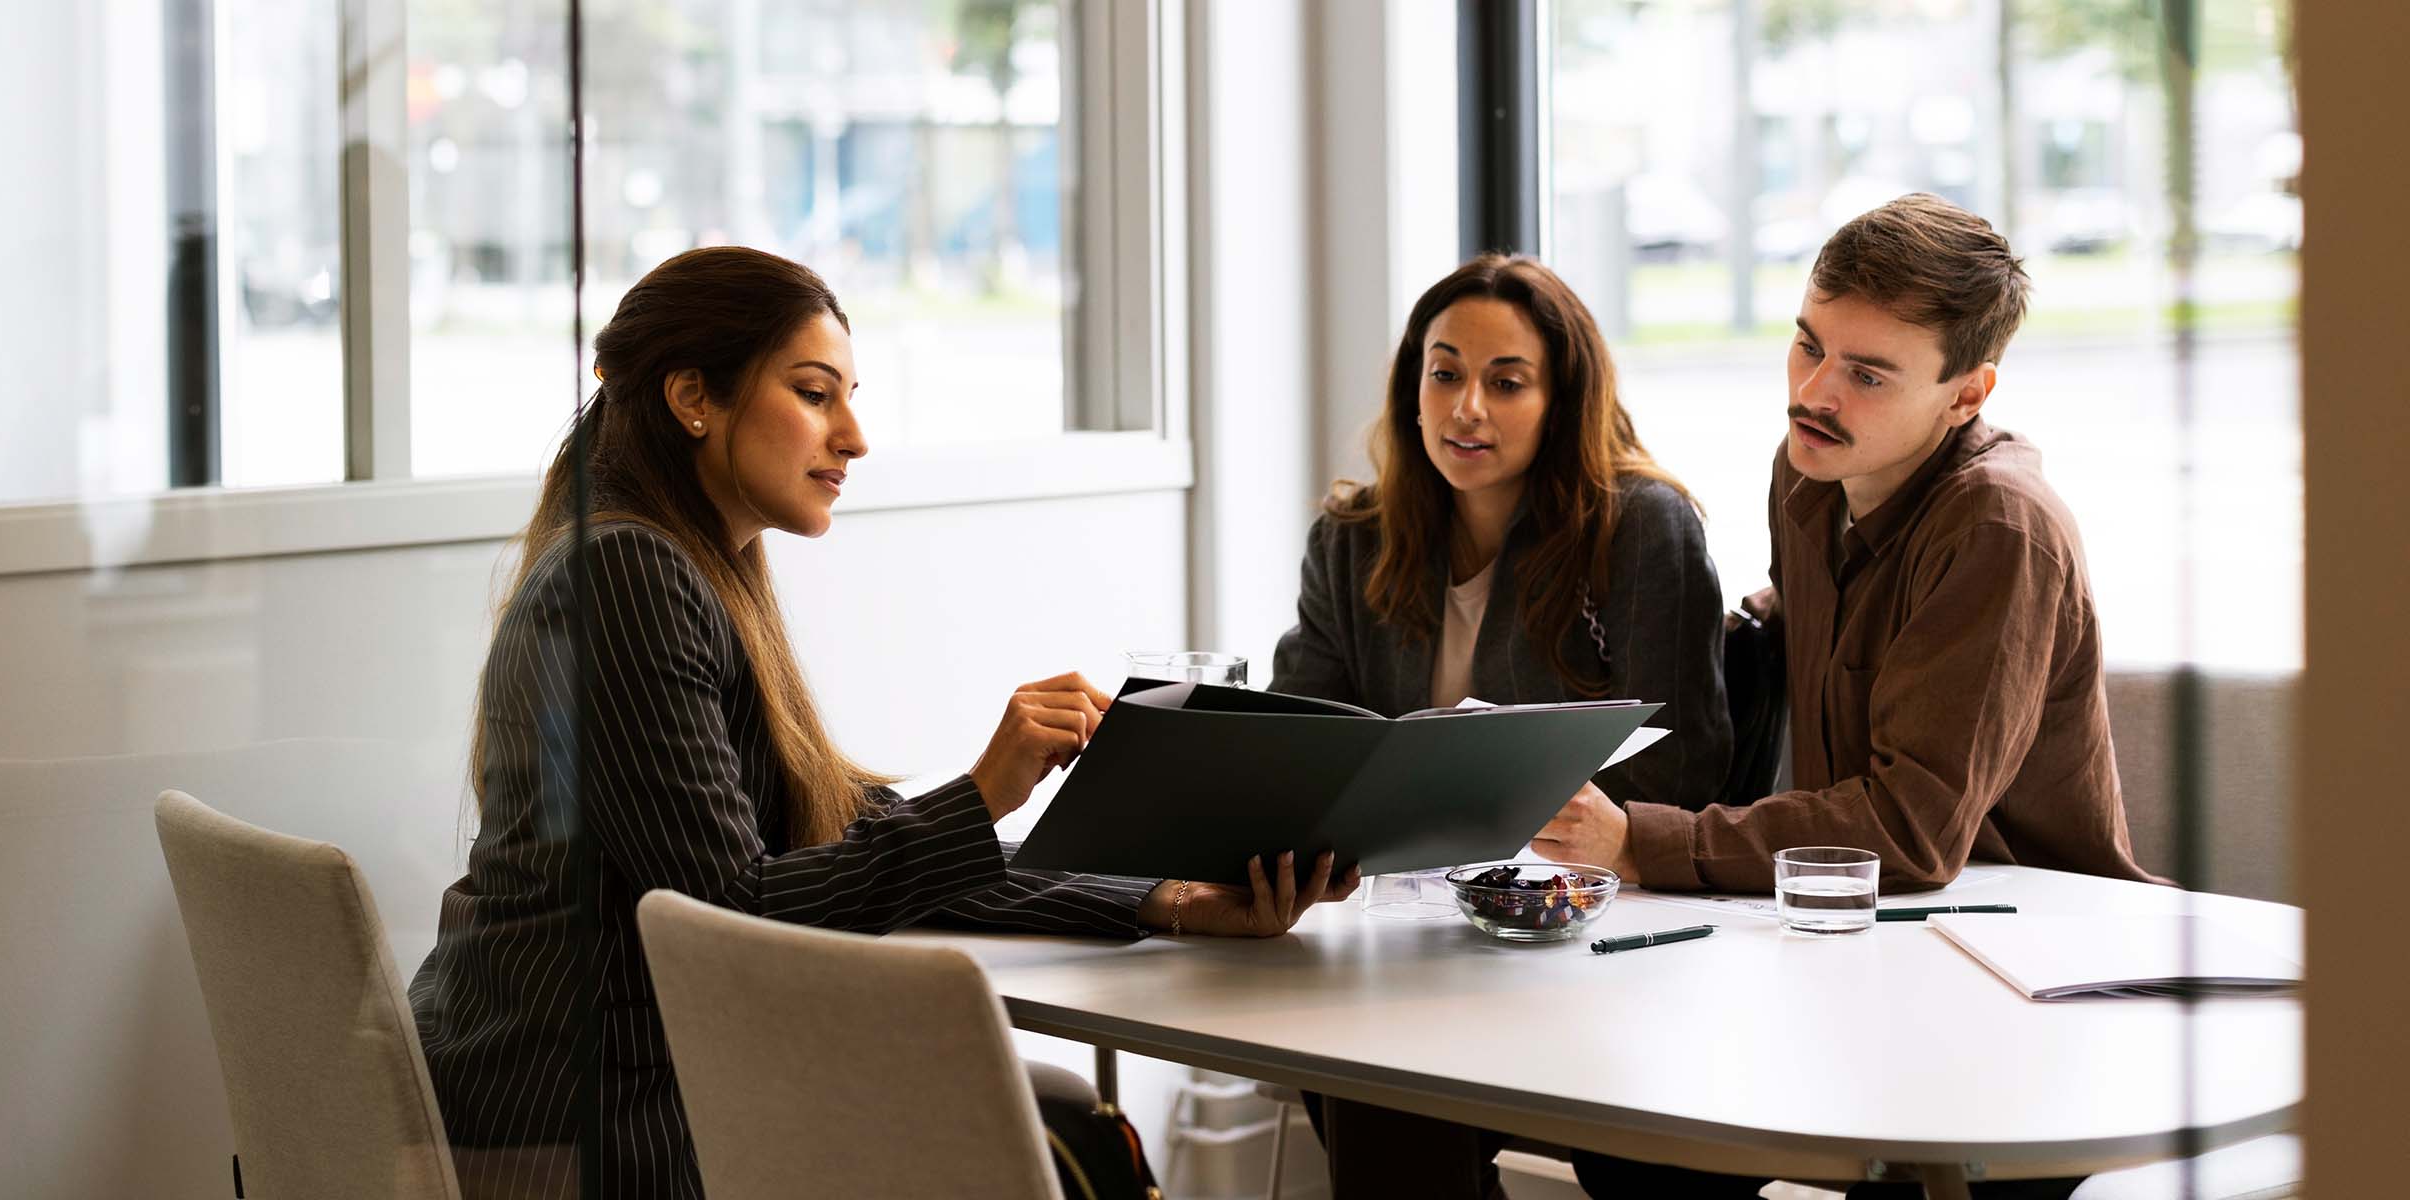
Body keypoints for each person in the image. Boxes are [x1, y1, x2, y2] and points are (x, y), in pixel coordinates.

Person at [405, 245, 1360, 1200]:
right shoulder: (628, 576)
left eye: (850, 395)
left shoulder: (683, 567)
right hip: (589, 1126)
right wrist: (981, 795)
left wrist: (1170, 900)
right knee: (1061, 1134)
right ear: (693, 396)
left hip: (615, 1088)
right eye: (816, 393)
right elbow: (737, 921)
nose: (854, 436)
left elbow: (832, 848)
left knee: (1057, 1119)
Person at [1535, 194, 2159, 1198]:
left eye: (1867, 374)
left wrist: (1638, 840)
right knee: (1620, 1116)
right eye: (1806, 345)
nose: (1813, 392)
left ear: (1966, 394)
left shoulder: (1998, 528)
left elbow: (1909, 831)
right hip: (1852, 944)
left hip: (2021, 977)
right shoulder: (1810, 475)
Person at [1268, 253, 1729, 1199]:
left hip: (1588, 941)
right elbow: (1301, 746)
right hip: (1405, 939)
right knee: (1363, 1079)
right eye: (1444, 373)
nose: (1466, 407)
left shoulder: (1640, 525)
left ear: (1563, 400)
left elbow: (1683, 770)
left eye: (1506, 382)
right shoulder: (1352, 540)